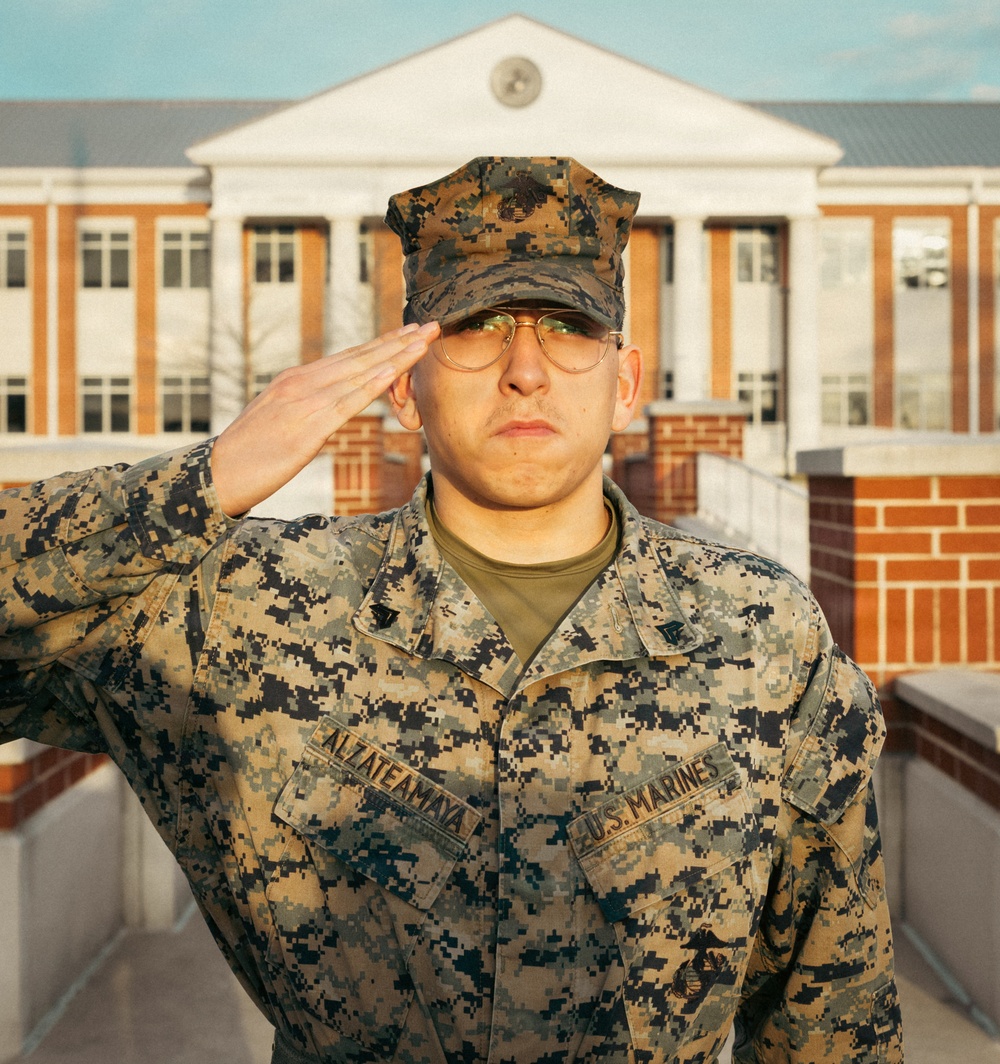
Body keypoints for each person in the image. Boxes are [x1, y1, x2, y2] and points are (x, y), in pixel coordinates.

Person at [0, 156, 902, 1064]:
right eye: (474, 328)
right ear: (403, 385)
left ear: (623, 382)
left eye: (567, 327)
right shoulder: (246, 617)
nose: (524, 370)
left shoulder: (758, 634)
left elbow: (833, 1017)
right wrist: (207, 481)